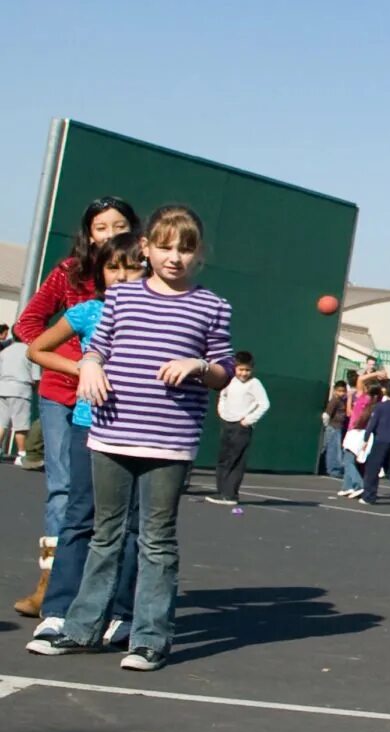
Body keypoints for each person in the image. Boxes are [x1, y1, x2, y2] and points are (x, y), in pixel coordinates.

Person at [29, 204, 235, 673]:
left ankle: (149, 639)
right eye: (164, 247)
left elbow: (222, 371)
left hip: (168, 442)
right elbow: (96, 346)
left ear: (199, 253)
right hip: (110, 434)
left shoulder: (212, 306)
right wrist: (91, 366)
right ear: (146, 249)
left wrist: (199, 367)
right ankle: (80, 629)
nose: (174, 257)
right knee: (105, 535)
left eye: (185, 249)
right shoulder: (122, 299)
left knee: (156, 541)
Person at [12, 195, 138, 618]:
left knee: (107, 500)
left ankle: (102, 590)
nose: (110, 234)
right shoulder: (69, 274)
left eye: (119, 226)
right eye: (101, 227)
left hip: (113, 403)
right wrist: (77, 365)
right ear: (88, 234)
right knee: (64, 490)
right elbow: (27, 326)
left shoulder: (141, 278)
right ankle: (50, 586)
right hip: (62, 395)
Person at [209, 351, 271, 506]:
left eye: (247, 370)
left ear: (252, 369)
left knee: (236, 460)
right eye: (241, 369)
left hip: (241, 427)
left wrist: (248, 420)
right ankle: (221, 491)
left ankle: (230, 495)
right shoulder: (229, 381)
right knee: (224, 458)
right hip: (227, 423)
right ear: (235, 368)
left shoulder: (254, 383)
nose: (244, 373)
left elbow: (264, 404)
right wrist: (222, 413)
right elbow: (222, 396)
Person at [1, 324, 33, 462]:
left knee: (2, 422)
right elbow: (36, 376)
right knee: (21, 424)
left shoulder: (4, 351)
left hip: (3, 388)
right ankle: (21, 454)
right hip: (21, 390)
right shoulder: (30, 351)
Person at [321, 379, 350, 480]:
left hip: (337, 427)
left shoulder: (342, 401)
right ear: (334, 391)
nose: (341, 393)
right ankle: (333, 470)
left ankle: (331, 468)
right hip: (333, 427)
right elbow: (327, 414)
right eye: (339, 391)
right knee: (333, 449)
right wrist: (327, 425)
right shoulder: (334, 401)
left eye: (343, 391)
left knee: (333, 448)